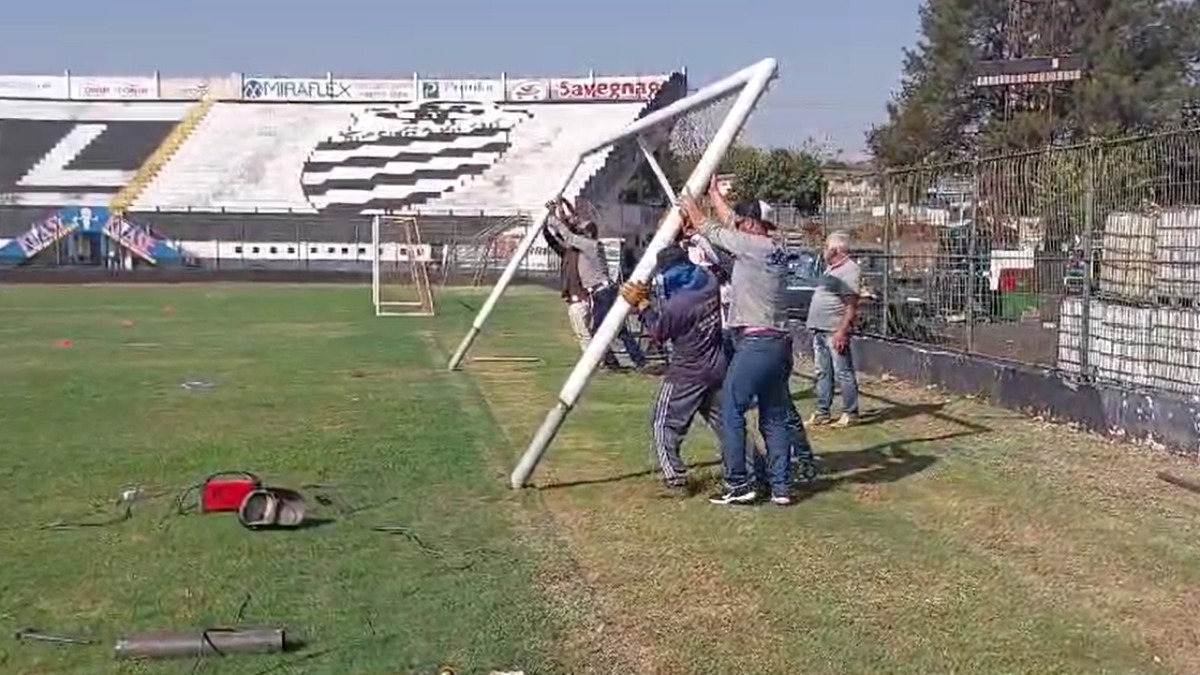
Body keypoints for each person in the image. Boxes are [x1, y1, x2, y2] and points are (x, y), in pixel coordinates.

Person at [679, 180, 794, 506]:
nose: (739, 223)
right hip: (780, 344)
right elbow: (731, 222)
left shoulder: (752, 246)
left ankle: (738, 483)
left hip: (756, 343)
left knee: (731, 410)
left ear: (755, 224)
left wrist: (691, 207)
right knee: (773, 416)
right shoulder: (773, 246)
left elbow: (713, 230)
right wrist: (714, 194)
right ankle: (781, 488)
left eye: (745, 221)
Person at [620, 247, 729, 495]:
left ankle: (675, 479)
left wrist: (643, 305)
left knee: (663, 424)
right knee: (727, 424)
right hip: (716, 365)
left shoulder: (679, 305)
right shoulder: (708, 281)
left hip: (687, 372)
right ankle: (752, 469)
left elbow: (659, 332)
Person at [544, 198, 649, 372]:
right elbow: (572, 224)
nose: (579, 231)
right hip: (602, 291)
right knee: (616, 329)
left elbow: (568, 234)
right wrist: (562, 207)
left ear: (588, 233)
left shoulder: (589, 245)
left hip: (603, 292)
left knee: (600, 329)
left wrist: (551, 217)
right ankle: (632, 361)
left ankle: (614, 363)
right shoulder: (587, 244)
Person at [806, 230, 862, 427]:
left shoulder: (849, 270)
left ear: (835, 249)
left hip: (833, 330)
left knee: (842, 371)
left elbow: (851, 304)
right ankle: (822, 411)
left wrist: (841, 331)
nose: (823, 251)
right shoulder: (831, 269)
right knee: (822, 372)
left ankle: (850, 411)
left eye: (826, 247)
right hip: (820, 329)